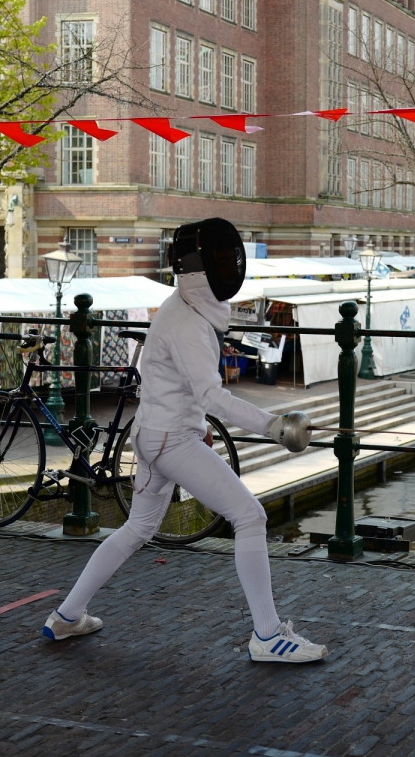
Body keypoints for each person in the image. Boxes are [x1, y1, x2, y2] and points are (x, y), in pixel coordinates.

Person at [42, 218, 327, 664]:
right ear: (202, 267)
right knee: (250, 516)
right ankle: (268, 636)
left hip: (156, 436)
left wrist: (199, 426)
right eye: (221, 260)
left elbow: (180, 387)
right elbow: (211, 394)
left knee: (137, 530)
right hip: (170, 443)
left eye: (230, 259)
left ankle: (67, 615)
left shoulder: (183, 308)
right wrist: (274, 425)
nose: (230, 267)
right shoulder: (188, 322)